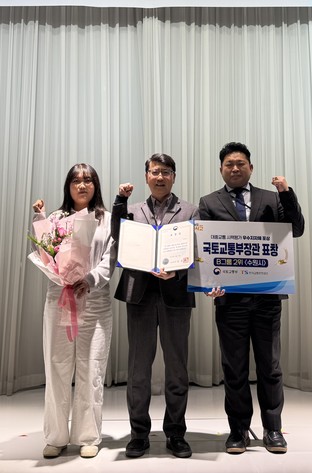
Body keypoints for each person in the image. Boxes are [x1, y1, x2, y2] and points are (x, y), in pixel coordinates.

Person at [198, 142, 305, 455]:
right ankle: (238, 430)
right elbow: (204, 247)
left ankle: (273, 429)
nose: (235, 168)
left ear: (251, 168)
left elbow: (296, 229)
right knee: (234, 369)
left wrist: (286, 193)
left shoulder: (272, 198)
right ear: (221, 169)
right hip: (229, 300)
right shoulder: (209, 202)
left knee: (270, 367)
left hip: (266, 298)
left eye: (240, 163)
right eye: (229, 164)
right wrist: (207, 284)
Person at [111, 153, 198, 459]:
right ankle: (138, 434)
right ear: (146, 176)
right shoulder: (131, 210)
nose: (160, 177)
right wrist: (119, 202)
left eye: (166, 172)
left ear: (174, 176)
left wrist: (178, 271)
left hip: (176, 295)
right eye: (155, 172)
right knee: (138, 370)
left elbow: (197, 252)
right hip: (141, 296)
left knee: (177, 369)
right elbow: (117, 238)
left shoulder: (191, 210)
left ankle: (176, 433)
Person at [30, 163, 115, 459]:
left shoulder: (107, 219)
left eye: (88, 180)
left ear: (96, 185)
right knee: (57, 366)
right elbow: (46, 253)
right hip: (61, 298)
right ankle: (55, 436)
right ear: (68, 186)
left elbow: (110, 258)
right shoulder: (56, 218)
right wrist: (40, 219)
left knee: (92, 368)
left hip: (94, 301)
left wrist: (89, 279)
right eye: (76, 180)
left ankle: (88, 435)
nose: (82, 185)